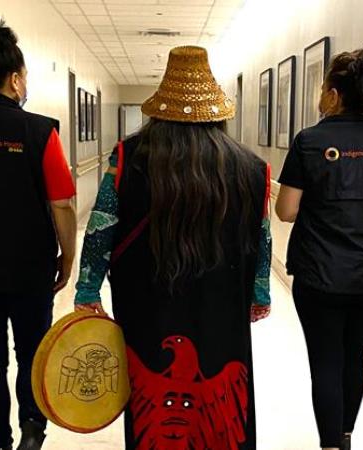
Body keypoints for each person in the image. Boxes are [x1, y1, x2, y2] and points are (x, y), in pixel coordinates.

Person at [74, 45, 271, 450]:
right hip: (221, 297)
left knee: (151, 384)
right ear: (215, 111)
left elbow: (101, 226)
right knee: (220, 379)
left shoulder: (129, 156)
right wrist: (259, 292)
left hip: (147, 296)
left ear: (160, 108)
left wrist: (88, 289)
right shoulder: (251, 167)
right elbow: (261, 235)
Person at [0, 18, 77, 450]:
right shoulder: (40, 131)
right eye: (25, 76)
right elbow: (63, 204)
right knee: (33, 355)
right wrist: (67, 259)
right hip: (30, 269)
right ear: (15, 79)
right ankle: (33, 431)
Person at [276, 47, 363, 450]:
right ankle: (345, 436)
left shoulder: (310, 141)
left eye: (323, 87)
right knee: (353, 357)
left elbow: (286, 211)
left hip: (319, 273)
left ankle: (330, 446)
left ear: (335, 94)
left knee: (326, 361)